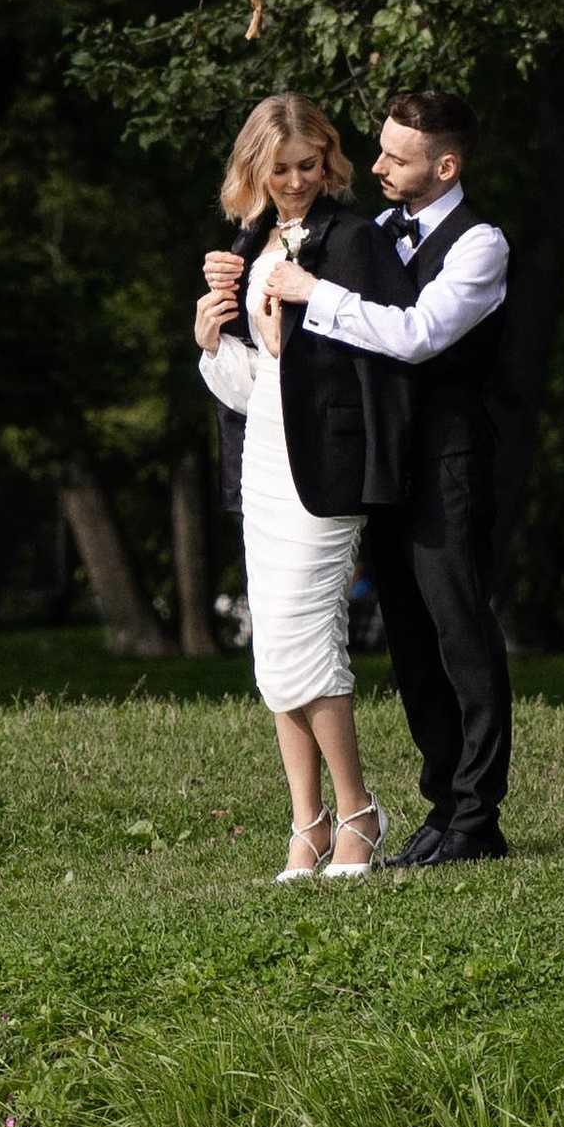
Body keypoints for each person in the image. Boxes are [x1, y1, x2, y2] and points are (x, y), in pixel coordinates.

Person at [261, 89, 513, 867]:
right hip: (385, 466)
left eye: (396, 157)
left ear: (446, 165)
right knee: (408, 641)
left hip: (448, 464)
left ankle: (477, 820)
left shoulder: (481, 245)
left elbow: (418, 335)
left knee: (460, 633)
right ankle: (441, 806)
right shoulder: (372, 235)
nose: (375, 166)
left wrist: (318, 293)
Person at [193, 94, 414, 881]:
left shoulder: (352, 241)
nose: (294, 182)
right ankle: (307, 824)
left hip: (329, 464)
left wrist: (304, 318)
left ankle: (358, 816)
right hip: (264, 454)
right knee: (273, 647)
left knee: (308, 633)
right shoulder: (250, 243)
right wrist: (211, 339)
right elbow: (258, 385)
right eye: (279, 169)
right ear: (255, 168)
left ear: (330, 162)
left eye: (308, 166)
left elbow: (380, 357)